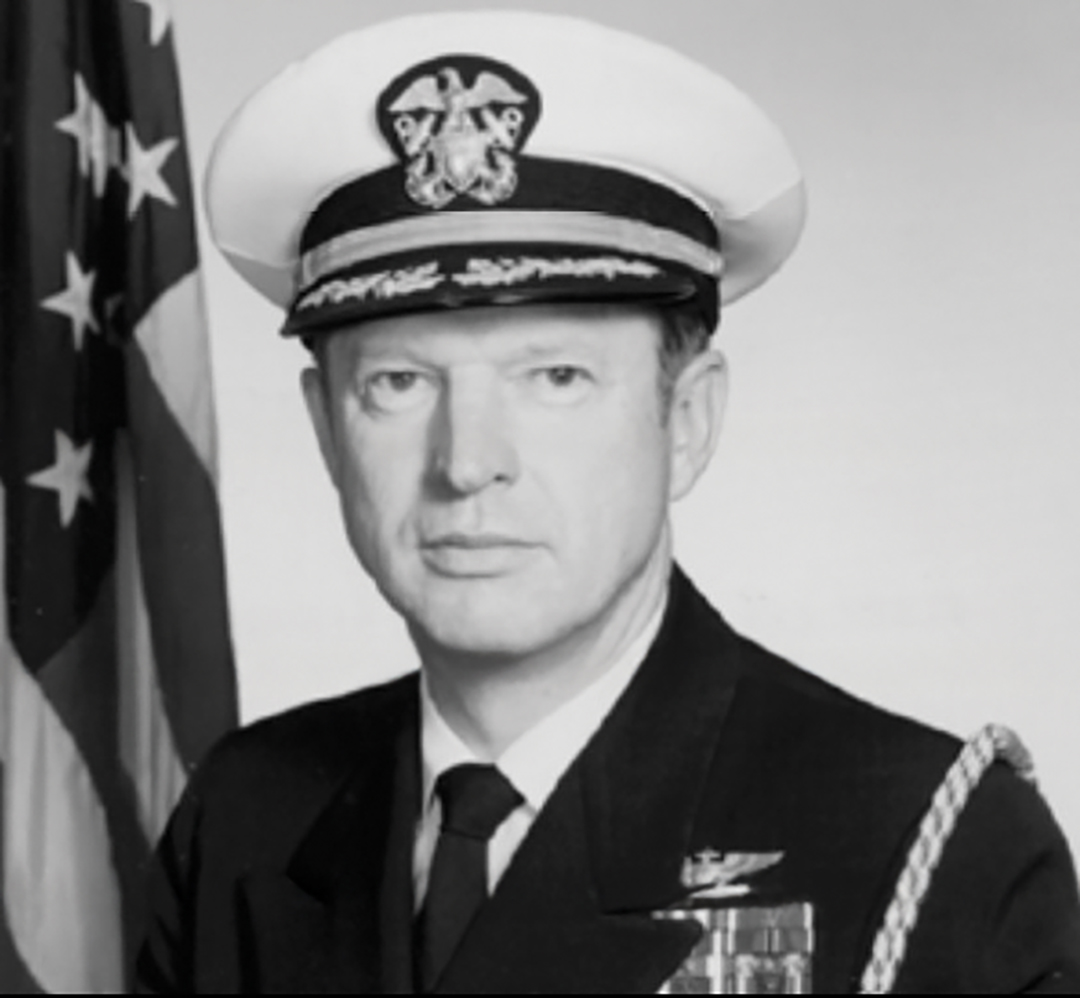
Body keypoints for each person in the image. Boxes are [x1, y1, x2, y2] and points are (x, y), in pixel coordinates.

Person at [136, 10, 1080, 994]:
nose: (468, 462)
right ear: (328, 432)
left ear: (688, 421)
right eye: (398, 383)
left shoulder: (929, 850)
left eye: (556, 377)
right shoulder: (242, 821)